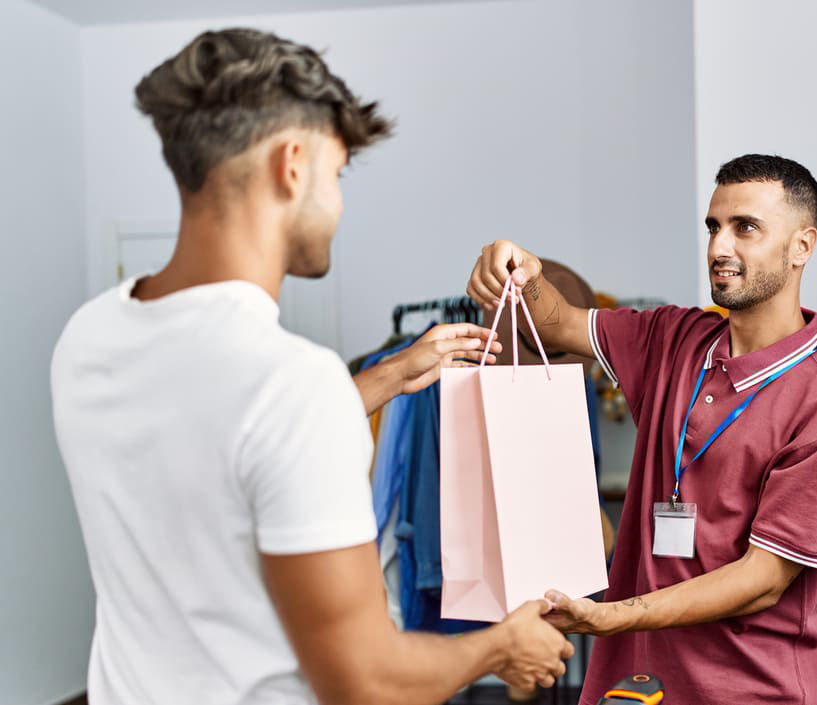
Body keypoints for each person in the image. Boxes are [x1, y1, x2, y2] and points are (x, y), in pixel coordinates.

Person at [51, 28, 571, 705]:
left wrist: (390, 375)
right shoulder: (291, 384)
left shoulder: (90, 336)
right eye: (339, 173)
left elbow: (223, 439)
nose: (340, 202)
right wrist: (503, 645)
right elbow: (366, 678)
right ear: (292, 165)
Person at [466, 154, 817, 703]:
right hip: (630, 688)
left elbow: (763, 580)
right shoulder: (674, 338)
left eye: (746, 228)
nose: (719, 248)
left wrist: (613, 617)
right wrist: (518, 269)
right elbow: (558, 323)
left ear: (802, 246)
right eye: (714, 227)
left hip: (748, 693)